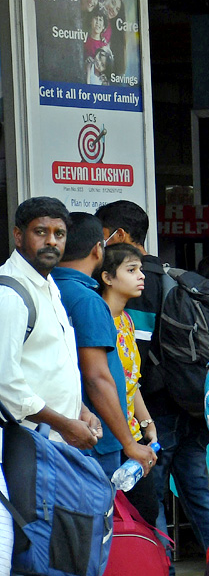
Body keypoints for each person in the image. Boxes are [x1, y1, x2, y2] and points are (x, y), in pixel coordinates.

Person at [97, 200, 209, 551]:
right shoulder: (176, 278)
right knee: (198, 491)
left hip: (156, 412)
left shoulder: (130, 290)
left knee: (149, 500)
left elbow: (129, 365)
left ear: (119, 235)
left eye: (102, 236)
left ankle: (158, 564)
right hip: (193, 401)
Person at [52, 213, 153, 480]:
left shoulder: (50, 288)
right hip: (93, 438)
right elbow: (97, 378)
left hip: (65, 429)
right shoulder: (87, 300)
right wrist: (130, 444)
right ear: (99, 249)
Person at [0, 197, 100, 449]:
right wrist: (64, 424)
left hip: (54, 441)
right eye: (41, 232)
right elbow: (5, 383)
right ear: (18, 236)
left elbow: (49, 363)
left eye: (59, 234)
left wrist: (79, 409)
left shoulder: (47, 284)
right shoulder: (10, 294)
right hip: (23, 445)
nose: (52, 241)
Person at [96, 242, 162, 524]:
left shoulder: (127, 321)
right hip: (107, 434)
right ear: (107, 277)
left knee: (146, 512)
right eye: (131, 269)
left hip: (132, 433)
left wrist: (147, 423)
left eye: (140, 269)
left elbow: (130, 382)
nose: (142, 276)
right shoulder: (97, 319)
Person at [99, 0, 126, 75]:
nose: (113, 10)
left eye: (117, 9)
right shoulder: (93, 10)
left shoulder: (110, 30)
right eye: (113, 3)